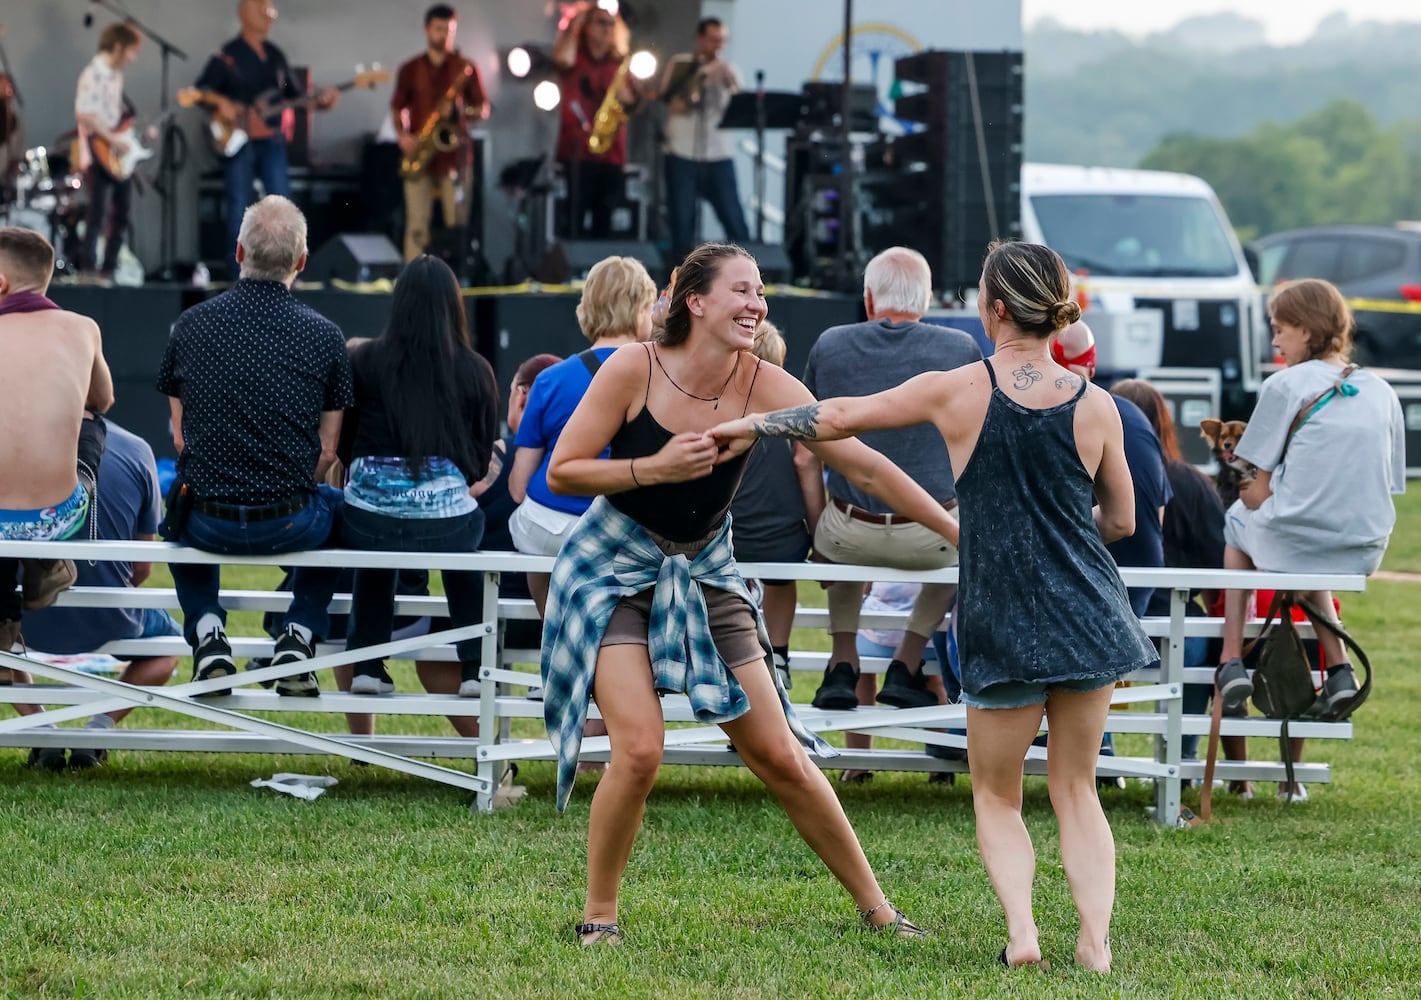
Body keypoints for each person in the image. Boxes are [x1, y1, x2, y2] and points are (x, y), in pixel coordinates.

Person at [711, 240, 1159, 973]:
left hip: (1000, 613)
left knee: (997, 792)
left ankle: (1023, 935)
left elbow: (842, 416)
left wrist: (748, 424)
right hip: (1087, 611)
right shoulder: (1098, 405)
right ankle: (1095, 944)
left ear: (995, 309)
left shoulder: (955, 389)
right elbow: (1120, 522)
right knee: (1077, 788)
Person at [541, 242, 956, 945]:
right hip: (613, 569)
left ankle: (878, 910)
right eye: (741, 290)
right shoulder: (630, 369)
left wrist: (954, 531)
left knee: (780, 755)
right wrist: (654, 467)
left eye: (759, 292)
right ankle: (599, 917)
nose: (756, 304)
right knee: (638, 750)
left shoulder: (766, 385)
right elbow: (563, 471)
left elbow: (866, 466)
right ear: (694, 301)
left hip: (704, 571)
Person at [1214, 278, 1405, 799]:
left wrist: (1254, 492)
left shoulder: (1285, 386)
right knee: (1303, 544)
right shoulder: (1382, 390)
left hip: (1295, 540)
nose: (1274, 341)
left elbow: (1255, 485)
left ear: (1305, 329)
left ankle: (1232, 658)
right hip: (1365, 544)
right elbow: (1391, 482)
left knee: (1238, 521)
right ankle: (1338, 668)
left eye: (1279, 330)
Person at [156, 195, 353, 697]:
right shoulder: (327, 336)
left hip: (205, 521)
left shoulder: (190, 326)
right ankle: (299, 632)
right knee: (339, 509)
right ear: (302, 262)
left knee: (177, 502)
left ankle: (206, 630)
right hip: (291, 521)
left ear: (238, 251)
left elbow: (181, 439)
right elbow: (328, 453)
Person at [802, 246, 980, 713]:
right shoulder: (959, 350)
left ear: (867, 296)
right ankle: (907, 660)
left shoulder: (830, 344)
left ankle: (842, 660)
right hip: (932, 537)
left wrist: (820, 531)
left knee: (839, 522)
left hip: (847, 534)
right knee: (967, 537)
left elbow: (804, 456)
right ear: (924, 301)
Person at [336, 255, 498, 697]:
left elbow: (346, 444)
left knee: (376, 546)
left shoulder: (363, 360)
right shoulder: (475, 369)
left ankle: (366, 664)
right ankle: (472, 669)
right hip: (447, 524)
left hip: (368, 520)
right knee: (464, 545)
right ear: (454, 306)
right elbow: (479, 462)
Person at [22, 420, 183, 769]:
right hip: (109, 618)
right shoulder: (137, 449)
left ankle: (42, 732)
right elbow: (142, 569)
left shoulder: (16, 440)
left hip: (23, 617)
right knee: (169, 647)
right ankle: (96, 732)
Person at [509, 255, 657, 613]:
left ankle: (551, 624)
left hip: (548, 525)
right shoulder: (660, 378)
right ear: (640, 310)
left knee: (531, 531)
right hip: (621, 533)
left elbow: (517, 486)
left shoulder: (549, 380)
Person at [0, 227, 113, 658]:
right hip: (59, 516)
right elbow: (102, 401)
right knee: (90, 420)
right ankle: (45, 564)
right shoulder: (83, 328)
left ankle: (3, 623)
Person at [195, 0, 340, 275]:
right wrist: (222, 104)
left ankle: (284, 273)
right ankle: (236, 275)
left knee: (282, 203)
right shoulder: (228, 55)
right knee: (239, 205)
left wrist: (321, 103)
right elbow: (201, 90)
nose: (268, 14)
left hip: (271, 142)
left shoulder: (275, 56)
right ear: (244, 12)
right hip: (239, 142)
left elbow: (296, 98)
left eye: (270, 9)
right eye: (261, 7)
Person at [728, 320, 823, 689]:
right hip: (782, 544)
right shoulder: (792, 422)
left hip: (730, 541)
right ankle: (778, 653)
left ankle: (740, 649)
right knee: (782, 578)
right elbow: (805, 467)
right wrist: (816, 533)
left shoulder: (722, 416)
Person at [390, 4, 490, 263]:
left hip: (454, 158)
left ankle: (454, 280)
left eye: (449, 30)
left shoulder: (465, 67)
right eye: (438, 29)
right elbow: (397, 106)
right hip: (421, 154)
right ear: (427, 30)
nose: (444, 35)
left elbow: (483, 109)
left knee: (457, 222)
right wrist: (403, 135)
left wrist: (460, 111)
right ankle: (413, 276)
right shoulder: (410, 68)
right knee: (417, 224)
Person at [659, 17, 750, 264]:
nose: (717, 46)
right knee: (682, 223)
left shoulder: (730, 69)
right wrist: (701, 77)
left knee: (735, 220)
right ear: (700, 38)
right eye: (712, 40)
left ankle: (745, 276)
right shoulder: (681, 64)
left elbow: (740, 110)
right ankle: (680, 282)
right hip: (682, 152)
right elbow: (675, 103)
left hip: (719, 153)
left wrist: (730, 82)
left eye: (721, 41)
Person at [551, 2, 642, 240]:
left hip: (612, 153)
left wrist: (629, 97)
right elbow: (560, 58)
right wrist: (576, 18)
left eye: (612, 23)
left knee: (606, 220)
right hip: (577, 151)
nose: (608, 28)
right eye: (601, 22)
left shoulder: (620, 64)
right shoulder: (574, 58)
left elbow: (634, 106)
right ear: (587, 27)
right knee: (574, 219)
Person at [74, 21, 142, 282]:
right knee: (97, 215)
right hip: (97, 149)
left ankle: (109, 270)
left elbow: (114, 116)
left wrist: (127, 134)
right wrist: (113, 137)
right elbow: (85, 115)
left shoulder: (116, 75)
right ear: (118, 47)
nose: (132, 58)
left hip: (115, 152)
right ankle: (89, 272)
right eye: (131, 51)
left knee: (122, 212)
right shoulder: (93, 74)